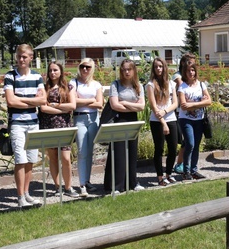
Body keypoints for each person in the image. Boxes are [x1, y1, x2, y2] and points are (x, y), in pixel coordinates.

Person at [4, 44, 47, 208]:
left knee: (31, 160)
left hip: (33, 123)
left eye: (25, 56)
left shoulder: (37, 77)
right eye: (19, 56)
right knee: (20, 161)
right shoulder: (10, 76)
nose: (21, 59)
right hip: (17, 124)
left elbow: (43, 101)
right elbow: (10, 101)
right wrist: (31, 101)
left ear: (31, 58)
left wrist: (20, 99)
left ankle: (27, 192)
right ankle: (20, 196)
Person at [104, 59, 145, 194]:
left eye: (129, 69)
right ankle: (117, 186)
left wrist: (124, 103)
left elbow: (142, 106)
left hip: (132, 120)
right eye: (124, 69)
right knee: (119, 153)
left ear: (134, 70)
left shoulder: (138, 86)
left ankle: (133, 182)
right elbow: (114, 105)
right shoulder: (115, 84)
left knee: (132, 152)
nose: (126, 72)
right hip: (118, 120)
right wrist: (132, 105)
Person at [39, 62, 78, 198]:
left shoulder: (69, 87)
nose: (53, 73)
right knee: (53, 157)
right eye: (50, 70)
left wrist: (56, 105)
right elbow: (43, 108)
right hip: (48, 125)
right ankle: (57, 187)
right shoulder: (44, 88)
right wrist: (62, 108)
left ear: (61, 71)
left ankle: (68, 187)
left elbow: (72, 106)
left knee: (66, 158)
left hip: (65, 126)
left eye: (55, 70)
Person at [72, 58, 103, 197]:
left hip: (93, 119)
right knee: (82, 151)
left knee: (90, 151)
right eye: (83, 66)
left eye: (88, 67)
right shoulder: (74, 83)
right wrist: (91, 100)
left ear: (92, 69)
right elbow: (73, 102)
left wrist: (82, 102)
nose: (85, 69)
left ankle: (87, 180)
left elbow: (100, 104)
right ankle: (82, 184)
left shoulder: (96, 84)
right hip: (79, 118)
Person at [147, 57, 179, 186]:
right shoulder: (150, 85)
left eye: (160, 66)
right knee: (159, 149)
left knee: (173, 149)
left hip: (171, 118)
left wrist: (165, 112)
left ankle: (168, 174)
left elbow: (175, 103)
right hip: (157, 121)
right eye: (156, 67)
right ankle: (160, 177)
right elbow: (154, 107)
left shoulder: (171, 84)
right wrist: (163, 123)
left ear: (164, 67)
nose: (158, 69)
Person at [177, 61, 212, 180]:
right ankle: (186, 171)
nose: (191, 73)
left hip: (199, 119)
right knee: (190, 144)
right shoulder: (182, 87)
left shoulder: (201, 85)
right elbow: (183, 106)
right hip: (185, 119)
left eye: (192, 70)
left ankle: (194, 171)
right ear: (184, 72)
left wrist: (192, 104)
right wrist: (200, 103)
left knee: (196, 145)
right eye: (188, 71)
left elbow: (209, 101)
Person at [172, 53, 196, 175]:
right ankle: (179, 164)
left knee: (188, 141)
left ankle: (184, 163)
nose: (193, 66)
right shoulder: (177, 76)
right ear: (183, 63)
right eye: (190, 63)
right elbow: (183, 86)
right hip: (180, 113)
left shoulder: (192, 77)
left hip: (192, 112)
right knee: (185, 140)